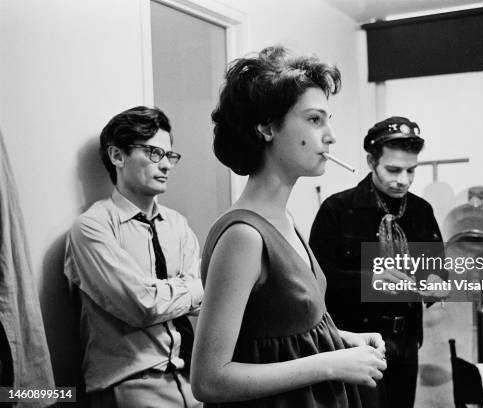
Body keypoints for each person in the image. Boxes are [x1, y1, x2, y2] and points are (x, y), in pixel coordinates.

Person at [190, 46, 386, 408]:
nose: (330, 136)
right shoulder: (244, 237)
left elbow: (276, 336)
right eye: (314, 120)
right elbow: (209, 380)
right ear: (266, 126)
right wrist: (331, 364)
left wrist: (342, 340)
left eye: (329, 120)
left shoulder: (286, 220)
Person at [64, 106, 203, 407]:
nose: (165, 165)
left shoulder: (178, 224)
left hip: (192, 379)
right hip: (130, 385)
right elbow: (143, 306)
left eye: (170, 156)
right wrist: (191, 287)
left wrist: (180, 291)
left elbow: (204, 300)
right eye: (154, 153)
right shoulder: (93, 227)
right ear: (117, 156)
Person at [309, 116, 447, 408]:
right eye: (394, 170)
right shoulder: (337, 210)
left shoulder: (421, 211)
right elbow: (314, 283)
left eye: (411, 171)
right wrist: (369, 280)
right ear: (372, 161)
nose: (404, 180)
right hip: (353, 343)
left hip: (406, 343)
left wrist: (437, 283)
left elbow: (438, 272)